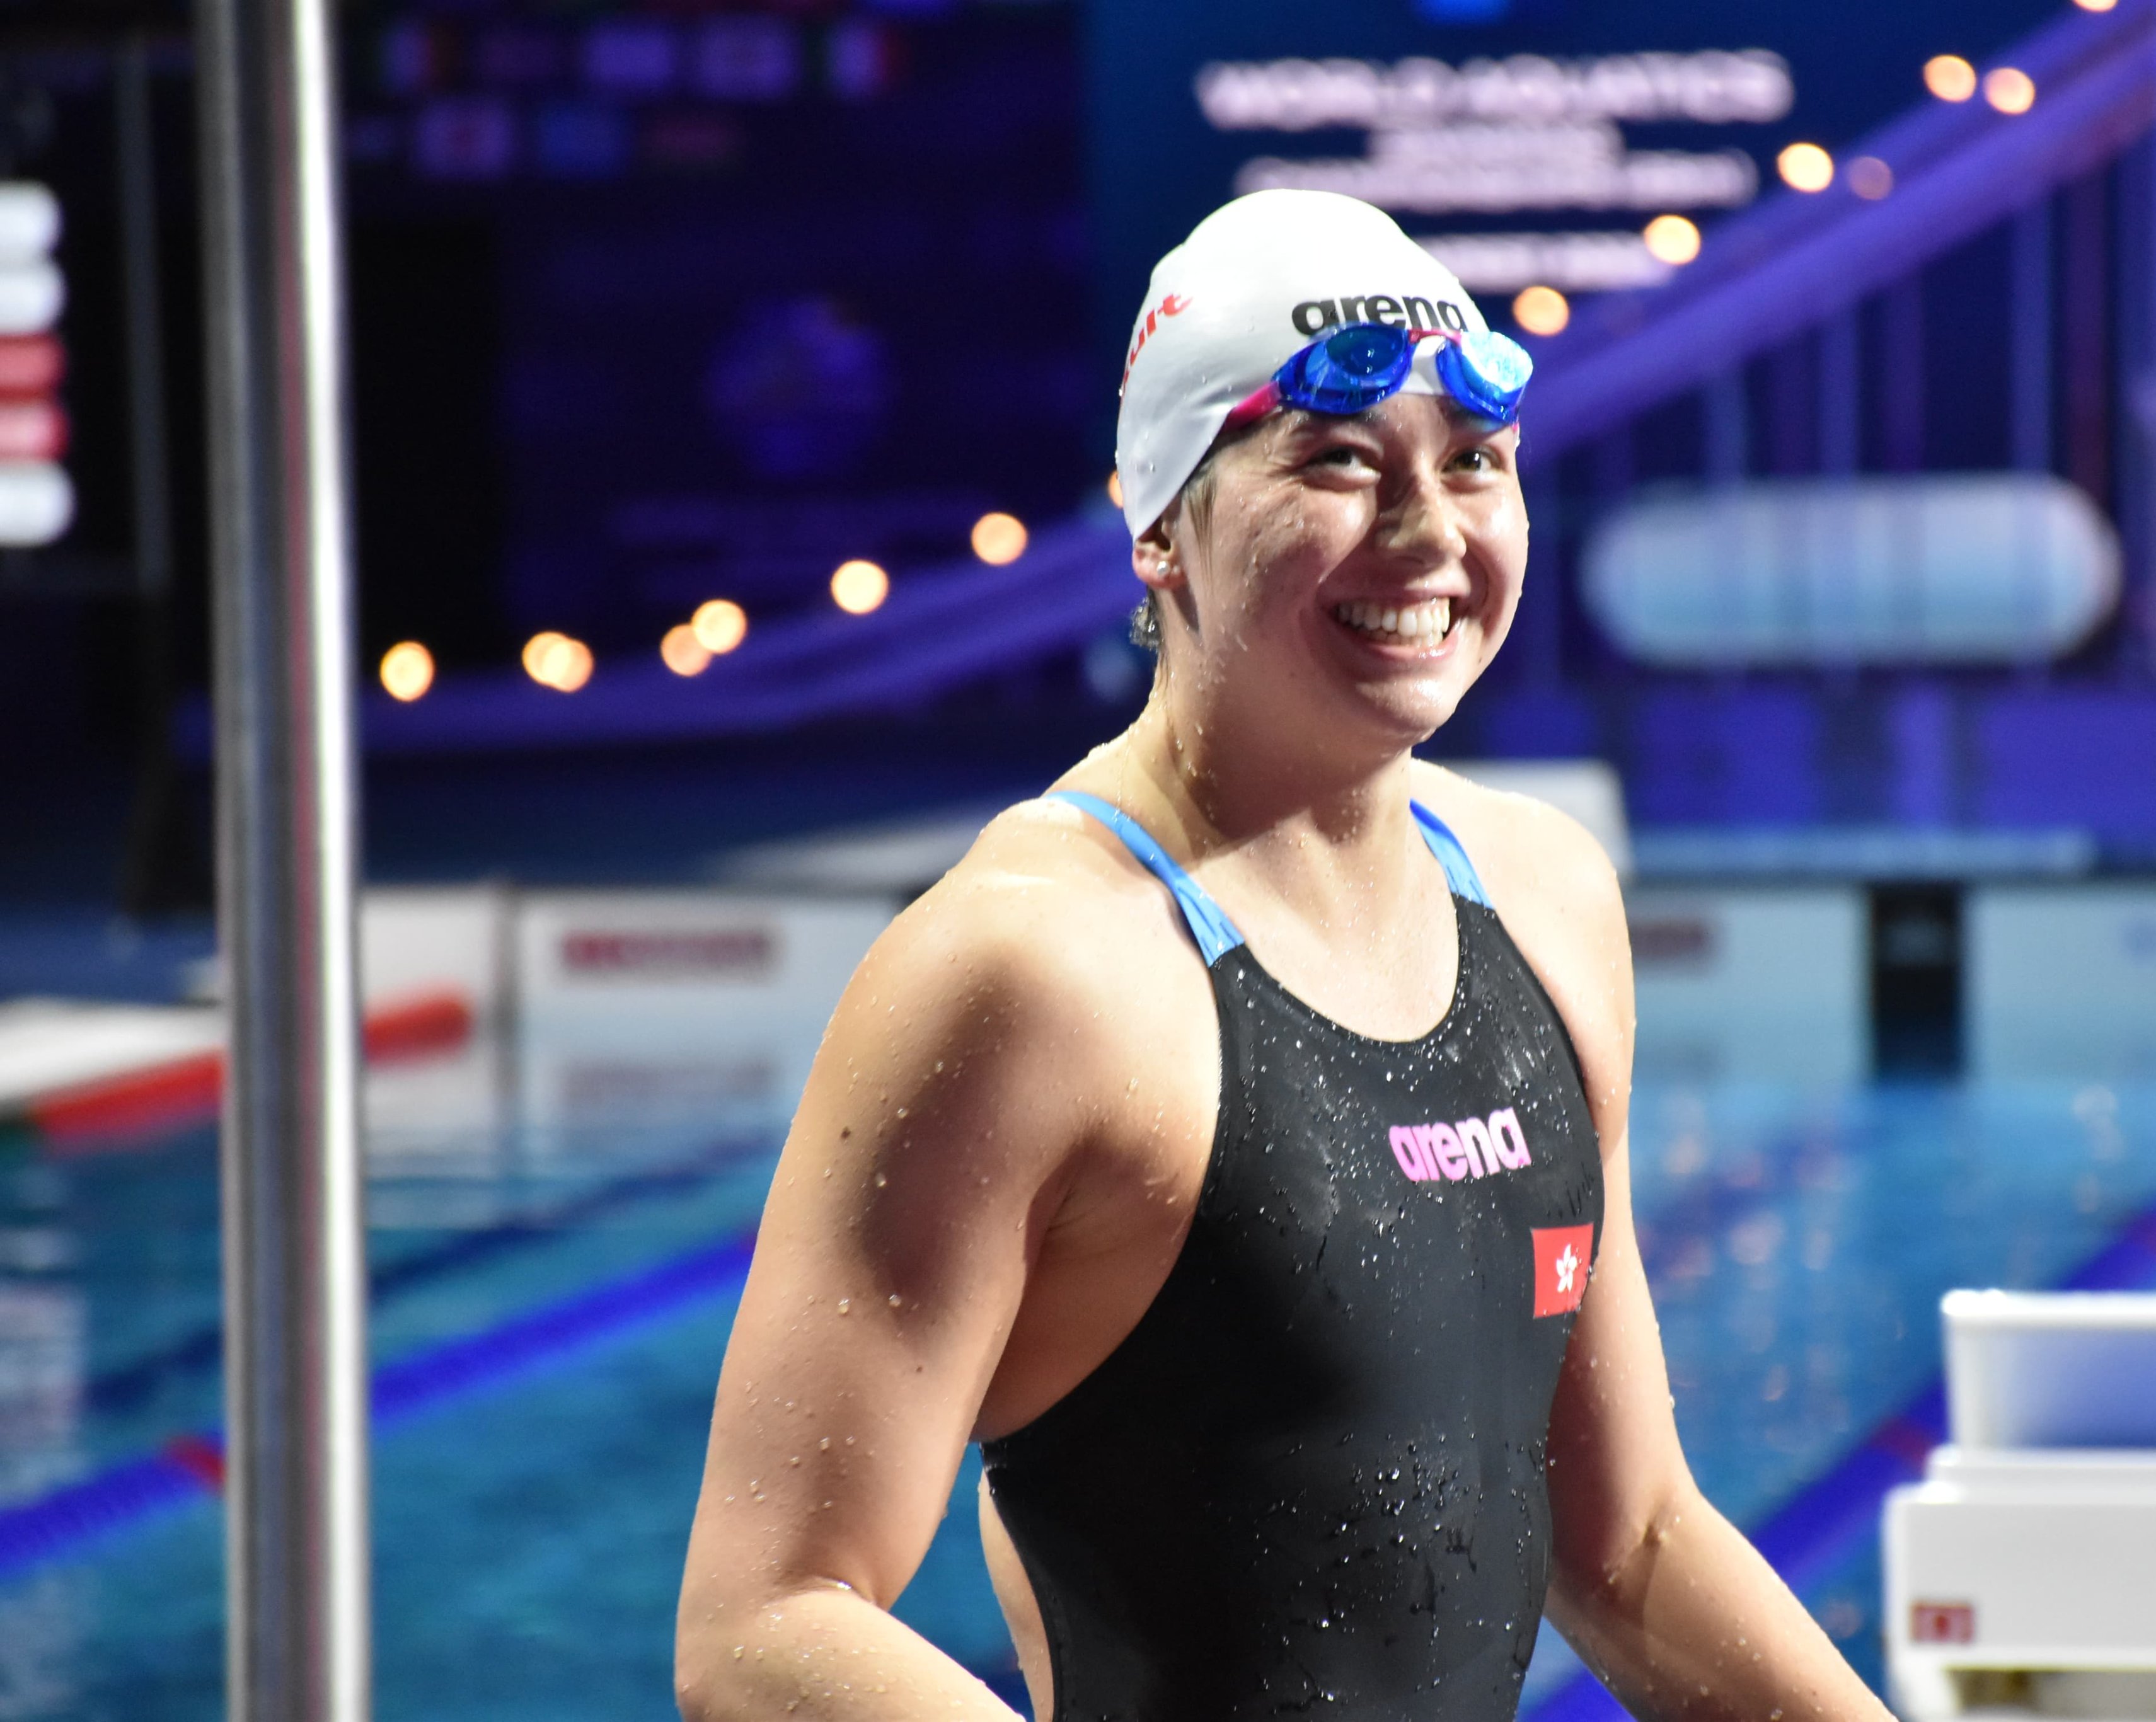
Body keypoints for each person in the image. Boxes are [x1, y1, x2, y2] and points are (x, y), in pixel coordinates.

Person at [676, 190, 1891, 1722]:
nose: (1431, 532)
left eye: (1474, 463)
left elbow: (1629, 1538)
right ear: (1159, 521)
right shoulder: (1031, 969)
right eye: (1336, 460)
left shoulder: (1541, 896)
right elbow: (766, 1619)